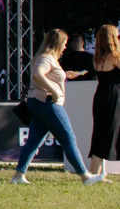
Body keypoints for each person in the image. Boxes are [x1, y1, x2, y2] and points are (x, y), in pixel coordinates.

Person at [11, 29, 103, 185]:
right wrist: (54, 91)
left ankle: (18, 175)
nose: (65, 47)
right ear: (57, 43)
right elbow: (37, 75)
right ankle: (85, 176)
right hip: (48, 103)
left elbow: (43, 75)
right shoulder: (46, 58)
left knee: (33, 141)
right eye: (64, 44)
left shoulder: (47, 58)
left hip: (39, 103)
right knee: (69, 139)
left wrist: (65, 75)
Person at [89, 23, 119, 181]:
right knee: (109, 132)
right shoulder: (114, 56)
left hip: (100, 95)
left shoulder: (97, 57)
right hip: (113, 97)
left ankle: (95, 173)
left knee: (99, 133)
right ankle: (95, 174)